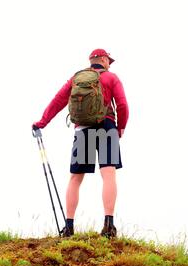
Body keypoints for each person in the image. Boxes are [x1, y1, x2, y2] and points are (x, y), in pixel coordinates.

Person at [32, 49, 129, 238]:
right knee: (108, 173)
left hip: (83, 129)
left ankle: (69, 227)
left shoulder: (76, 79)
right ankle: (108, 225)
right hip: (106, 126)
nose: (110, 64)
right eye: (109, 60)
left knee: (76, 178)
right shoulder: (111, 78)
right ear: (103, 59)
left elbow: (58, 100)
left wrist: (42, 122)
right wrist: (120, 127)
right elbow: (123, 104)